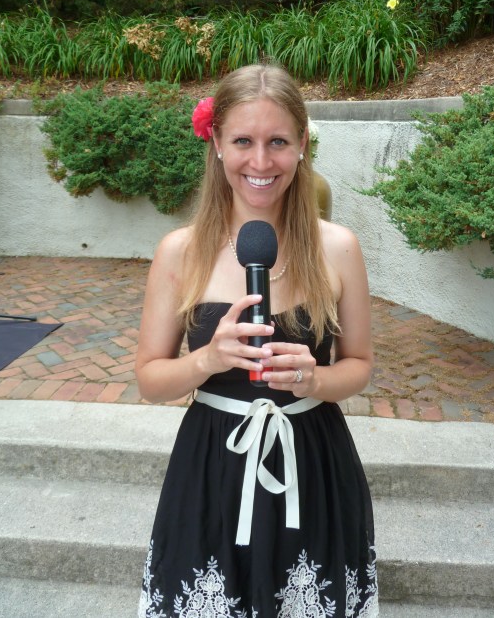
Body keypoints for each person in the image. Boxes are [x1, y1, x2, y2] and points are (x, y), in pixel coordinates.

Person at [136, 64, 378, 617]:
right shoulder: (180, 251)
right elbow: (150, 378)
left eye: (278, 142)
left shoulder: (338, 248)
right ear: (216, 142)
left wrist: (316, 377)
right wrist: (205, 359)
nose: (261, 162)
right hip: (210, 471)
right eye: (243, 141)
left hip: (313, 465)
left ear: (301, 147)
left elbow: (359, 364)